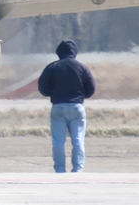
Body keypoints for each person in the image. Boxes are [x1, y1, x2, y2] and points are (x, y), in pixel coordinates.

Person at [37, 39, 96, 173]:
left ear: (59, 52)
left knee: (58, 142)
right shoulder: (83, 68)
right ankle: (78, 169)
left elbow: (42, 88)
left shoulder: (52, 67)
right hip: (77, 107)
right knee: (78, 141)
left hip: (58, 107)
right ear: (75, 52)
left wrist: (51, 93)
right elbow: (91, 89)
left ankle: (59, 170)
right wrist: (81, 96)